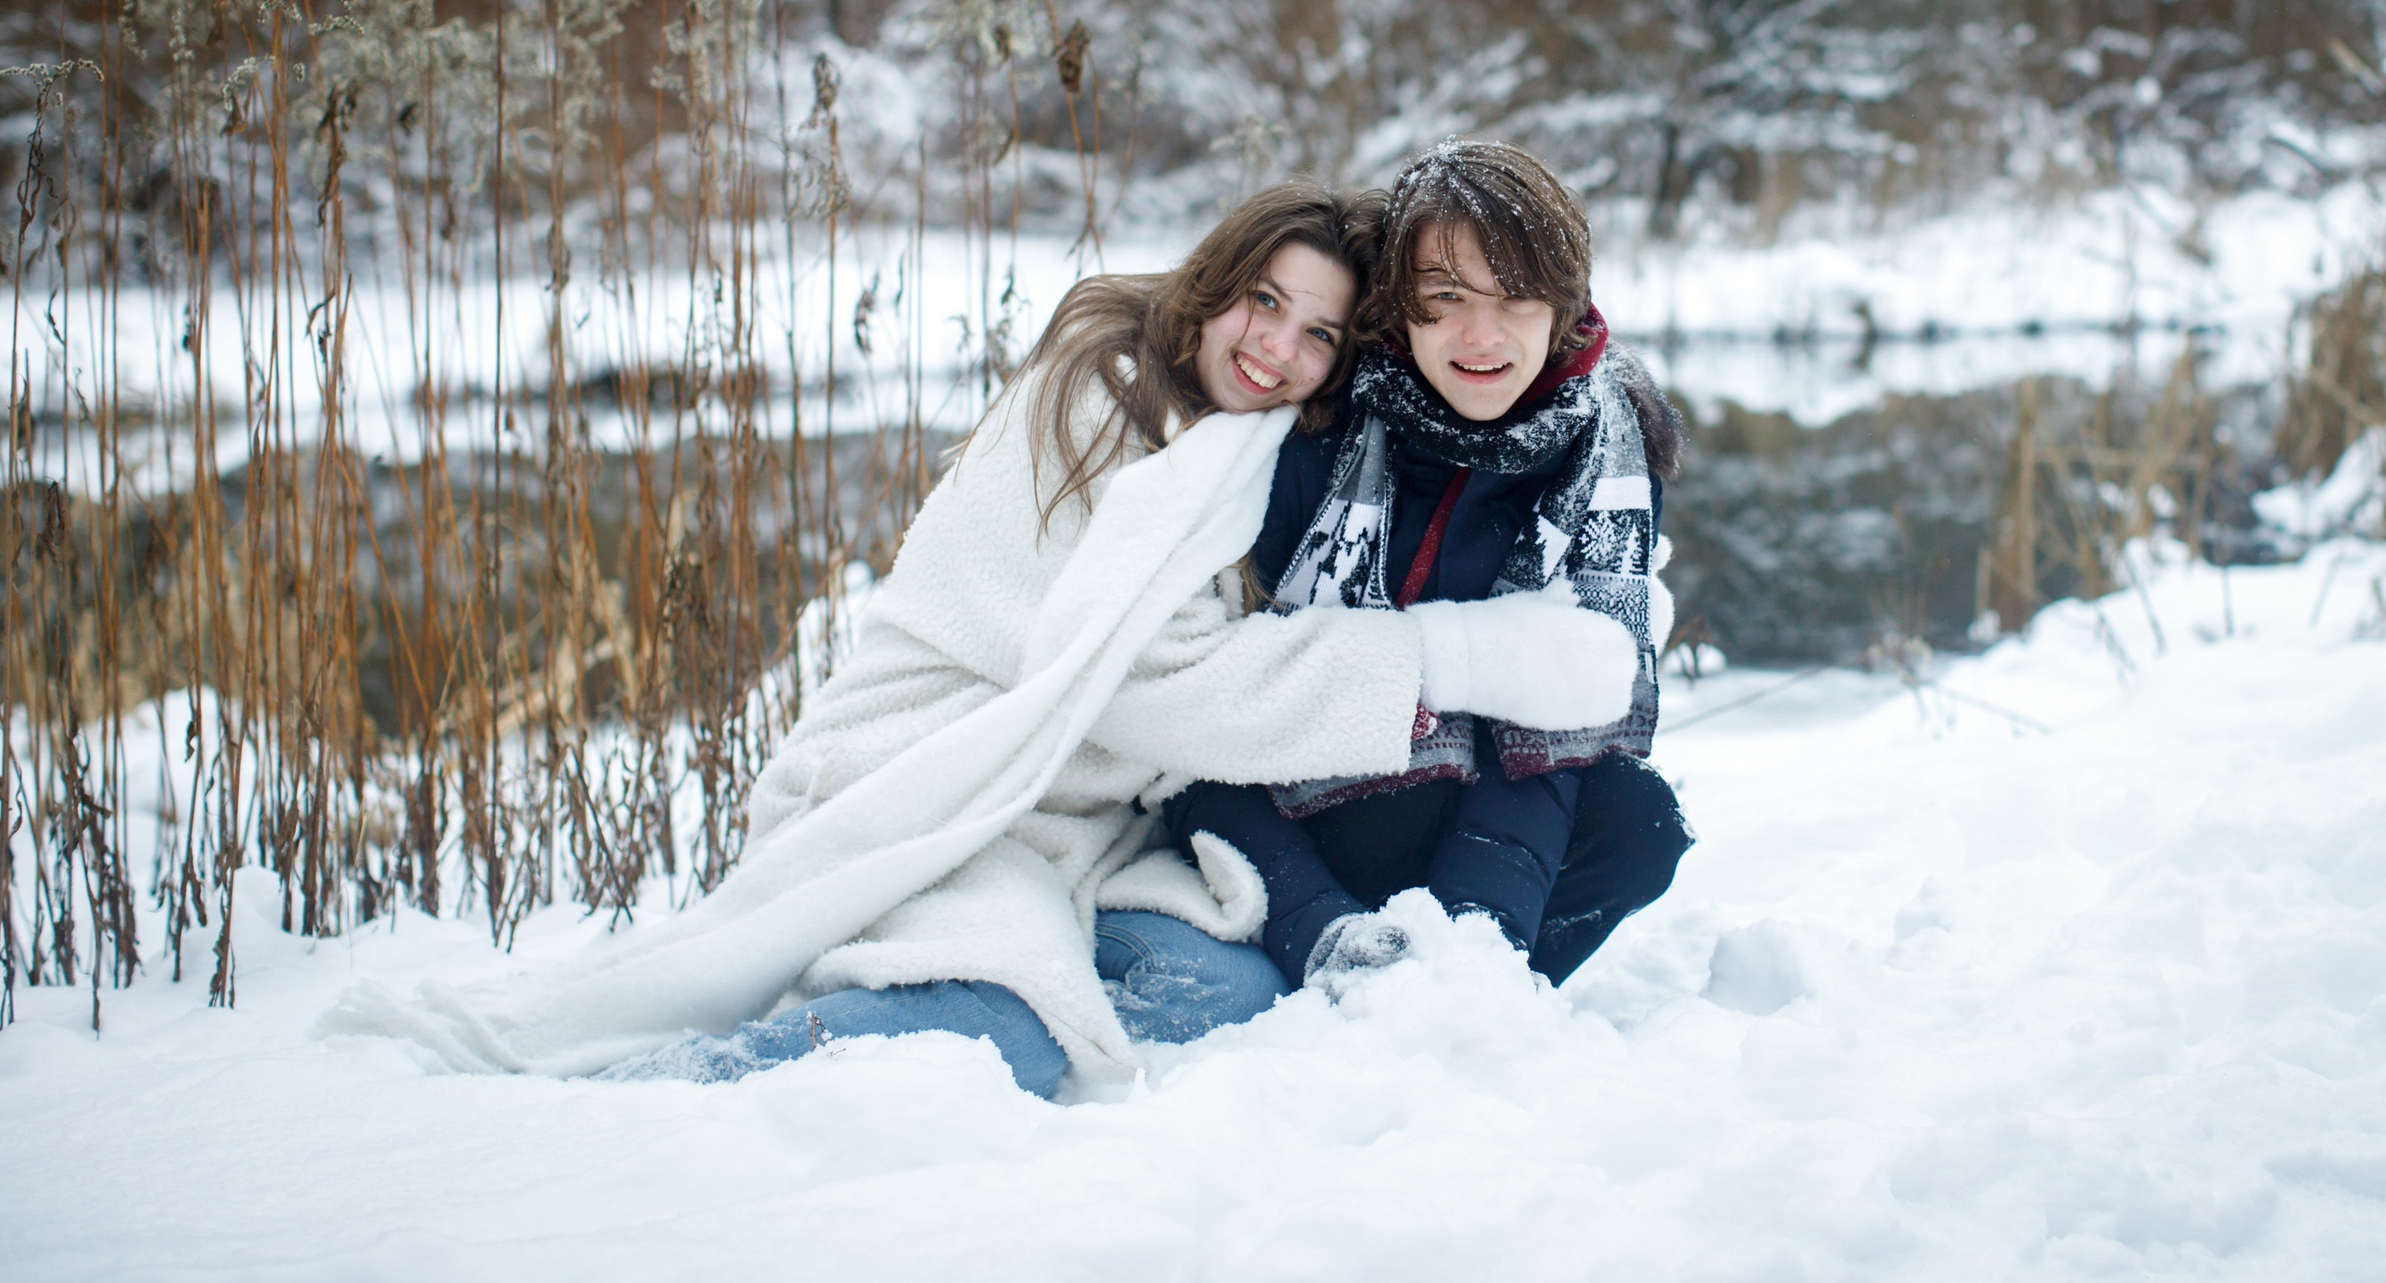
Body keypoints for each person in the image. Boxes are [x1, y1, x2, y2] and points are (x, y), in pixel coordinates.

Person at [321, 182, 1644, 1096]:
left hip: (1091, 829)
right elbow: (1162, 688)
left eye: (1315, 333)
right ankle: (705, 1093)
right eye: (1261, 302)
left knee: (1229, 998)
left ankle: (963, 1009)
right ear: (1214, 282)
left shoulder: (1244, 446)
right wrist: (1452, 662)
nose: (1276, 347)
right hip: (943, 782)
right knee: (993, 1024)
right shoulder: (1097, 395)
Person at [1164, 139, 1692, 993]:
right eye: (1445, 300)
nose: (1481, 337)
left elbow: (1553, 738)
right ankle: (1320, 987)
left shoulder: (1603, 458)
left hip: (1472, 818)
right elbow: (1198, 730)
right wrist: (1317, 927)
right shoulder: (1306, 432)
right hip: (1285, 813)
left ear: (1563, 305)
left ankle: (1457, 1002)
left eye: (1516, 299)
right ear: (1399, 309)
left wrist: (1475, 945)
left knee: (1636, 822)